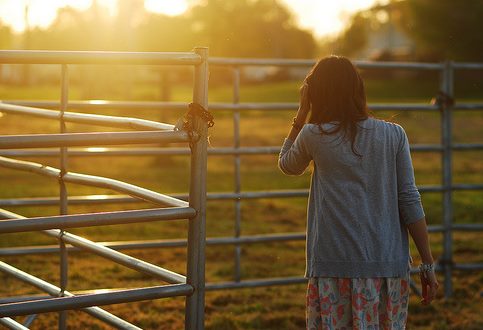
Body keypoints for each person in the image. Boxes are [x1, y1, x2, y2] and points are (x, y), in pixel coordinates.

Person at [278, 55, 439, 329]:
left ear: (315, 91)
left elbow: (287, 165)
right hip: (387, 266)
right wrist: (426, 263)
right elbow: (409, 199)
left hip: (334, 265)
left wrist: (301, 114)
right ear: (358, 88)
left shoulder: (314, 134)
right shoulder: (394, 135)